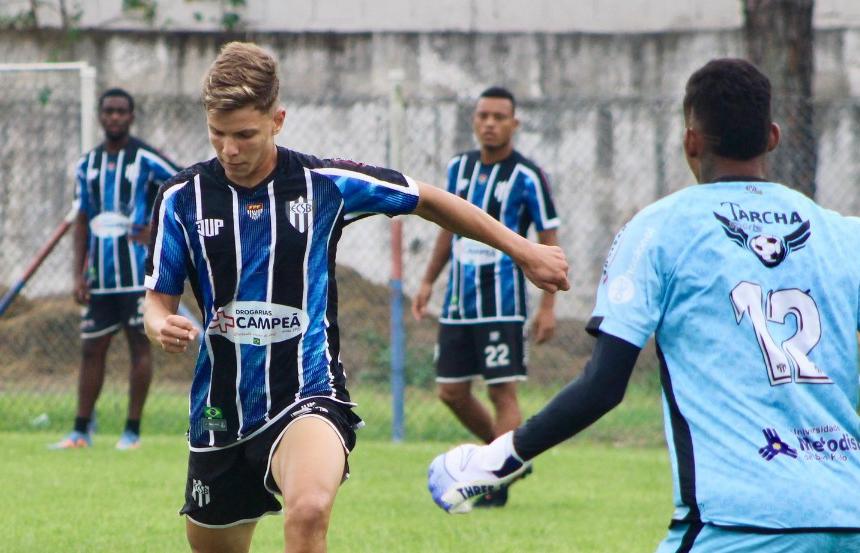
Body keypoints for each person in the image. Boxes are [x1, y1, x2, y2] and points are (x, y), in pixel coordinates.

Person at [142, 42, 568, 553]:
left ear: (278, 120)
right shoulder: (181, 198)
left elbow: (427, 199)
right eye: (218, 135)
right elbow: (156, 301)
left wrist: (524, 250)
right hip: (221, 409)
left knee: (309, 510)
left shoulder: (325, 185)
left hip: (308, 392)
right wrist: (159, 324)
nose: (230, 149)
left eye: (245, 135)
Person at [429, 58, 860, 551]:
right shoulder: (843, 235)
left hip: (737, 526)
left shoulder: (658, 230)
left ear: (690, 141)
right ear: (773, 137)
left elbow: (604, 385)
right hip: (849, 517)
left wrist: (497, 458)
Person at [412, 87, 559, 505]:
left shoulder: (528, 176)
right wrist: (427, 282)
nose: (490, 123)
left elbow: (549, 236)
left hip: (504, 305)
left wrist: (549, 305)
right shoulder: (459, 169)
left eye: (499, 116)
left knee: (501, 392)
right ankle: (508, 457)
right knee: (451, 392)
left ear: (514, 123)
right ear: (474, 121)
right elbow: (446, 226)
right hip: (459, 303)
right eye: (483, 116)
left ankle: (495, 479)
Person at [53, 88, 179, 450]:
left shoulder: (147, 159)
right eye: (108, 111)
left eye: (121, 111)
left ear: (131, 116)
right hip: (101, 278)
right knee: (91, 348)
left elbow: (183, 191)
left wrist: (155, 232)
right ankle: (80, 431)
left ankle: (132, 432)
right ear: (100, 116)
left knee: (139, 346)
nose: (114, 117)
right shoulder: (86, 165)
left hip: (138, 277)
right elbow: (81, 221)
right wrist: (78, 274)